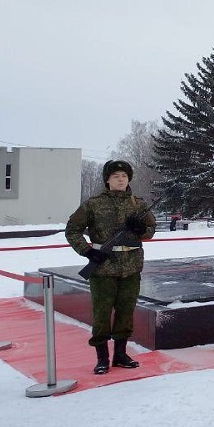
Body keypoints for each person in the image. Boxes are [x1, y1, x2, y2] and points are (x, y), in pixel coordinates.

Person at [65, 160, 156, 375]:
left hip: (131, 267)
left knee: (126, 312)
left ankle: (121, 355)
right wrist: (87, 251)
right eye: (116, 176)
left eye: (124, 176)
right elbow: (72, 230)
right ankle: (102, 358)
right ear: (107, 180)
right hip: (103, 267)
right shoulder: (93, 204)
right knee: (102, 314)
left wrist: (142, 229)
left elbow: (151, 230)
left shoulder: (138, 204)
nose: (121, 179)